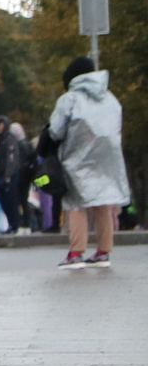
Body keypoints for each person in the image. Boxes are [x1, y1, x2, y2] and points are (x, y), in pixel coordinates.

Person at [49, 57, 127, 268]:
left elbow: (56, 130)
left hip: (78, 158)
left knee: (76, 204)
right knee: (103, 203)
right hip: (107, 157)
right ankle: (103, 251)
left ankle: (76, 253)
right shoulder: (110, 98)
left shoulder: (70, 99)